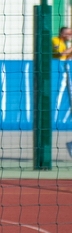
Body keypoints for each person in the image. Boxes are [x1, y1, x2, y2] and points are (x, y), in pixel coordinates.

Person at [52, 27, 72, 157]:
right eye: (68, 32)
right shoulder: (55, 40)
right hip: (60, 75)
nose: (70, 34)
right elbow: (62, 54)